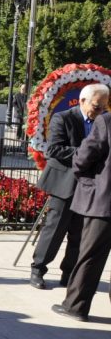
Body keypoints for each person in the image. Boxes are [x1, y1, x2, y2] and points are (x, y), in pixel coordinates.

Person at [30, 83, 109, 289]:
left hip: (89, 186)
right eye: (96, 106)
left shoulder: (102, 121)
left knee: (79, 233)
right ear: (82, 101)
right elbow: (54, 150)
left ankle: (69, 274)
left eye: (104, 108)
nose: (100, 111)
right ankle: (38, 269)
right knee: (55, 229)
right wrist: (86, 153)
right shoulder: (63, 118)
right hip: (64, 183)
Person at [52, 109, 111, 322]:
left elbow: (84, 156)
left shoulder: (106, 121)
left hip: (105, 201)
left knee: (90, 256)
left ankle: (75, 306)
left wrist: (88, 180)